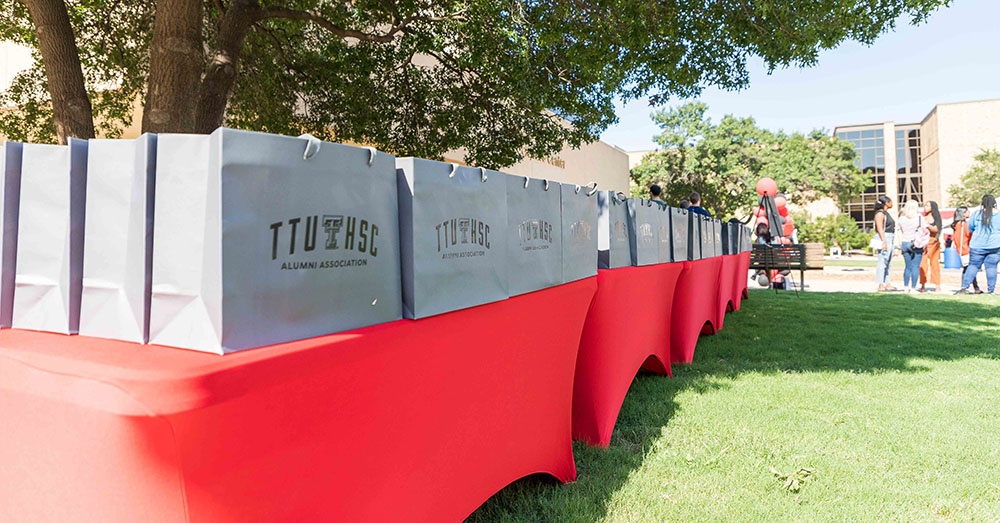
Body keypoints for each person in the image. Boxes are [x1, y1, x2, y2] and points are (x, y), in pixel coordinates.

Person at [957, 195, 1000, 294]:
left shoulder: (976, 214)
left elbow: (970, 228)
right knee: (991, 267)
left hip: (977, 245)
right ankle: (991, 290)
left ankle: (965, 287)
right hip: (995, 245)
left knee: (973, 266)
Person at [951, 205, 982, 293]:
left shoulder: (957, 224)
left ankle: (975, 287)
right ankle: (967, 287)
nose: (969, 213)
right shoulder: (963, 224)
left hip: (962, 249)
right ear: (963, 214)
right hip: (966, 249)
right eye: (967, 211)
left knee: (968, 269)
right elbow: (968, 235)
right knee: (969, 269)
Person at [896, 199, 924, 294]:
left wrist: (899, 244)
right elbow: (924, 229)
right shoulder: (919, 218)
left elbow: (899, 232)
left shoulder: (901, 219)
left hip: (904, 242)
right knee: (915, 266)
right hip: (916, 242)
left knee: (907, 267)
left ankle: (905, 287)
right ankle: (913, 288)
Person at [873, 195, 896, 291]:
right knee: (882, 261)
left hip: (890, 236)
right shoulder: (880, 213)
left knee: (888, 262)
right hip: (884, 237)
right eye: (890, 201)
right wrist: (884, 242)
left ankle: (887, 282)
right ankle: (880, 283)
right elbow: (879, 228)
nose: (892, 203)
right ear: (886, 203)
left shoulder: (886, 213)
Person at [919, 200, 942, 292]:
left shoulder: (935, 218)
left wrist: (926, 225)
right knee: (922, 264)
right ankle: (923, 285)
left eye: (928, 206)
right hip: (923, 242)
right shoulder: (922, 217)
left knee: (935, 264)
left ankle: (937, 284)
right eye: (925, 205)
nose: (926, 207)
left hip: (933, 242)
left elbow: (936, 229)